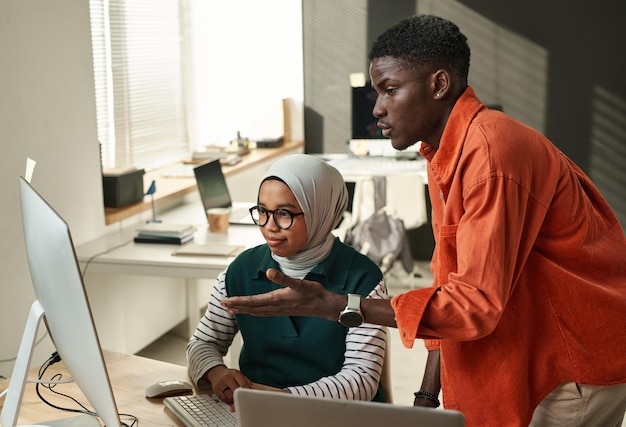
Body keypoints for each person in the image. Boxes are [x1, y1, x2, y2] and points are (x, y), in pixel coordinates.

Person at [222, 14, 626, 427]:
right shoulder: (445, 152)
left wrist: (340, 305)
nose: (377, 108)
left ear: (438, 84)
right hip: (538, 348)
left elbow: (475, 304)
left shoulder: (490, 154)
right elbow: (448, 283)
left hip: (573, 364)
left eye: (390, 90)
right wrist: (427, 396)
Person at [187, 154, 389, 406]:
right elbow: (203, 343)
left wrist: (283, 402)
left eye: (284, 213)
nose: (269, 226)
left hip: (337, 416)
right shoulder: (240, 270)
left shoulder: (362, 278)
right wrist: (216, 372)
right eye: (262, 211)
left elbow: (361, 380)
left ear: (321, 212)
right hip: (257, 410)